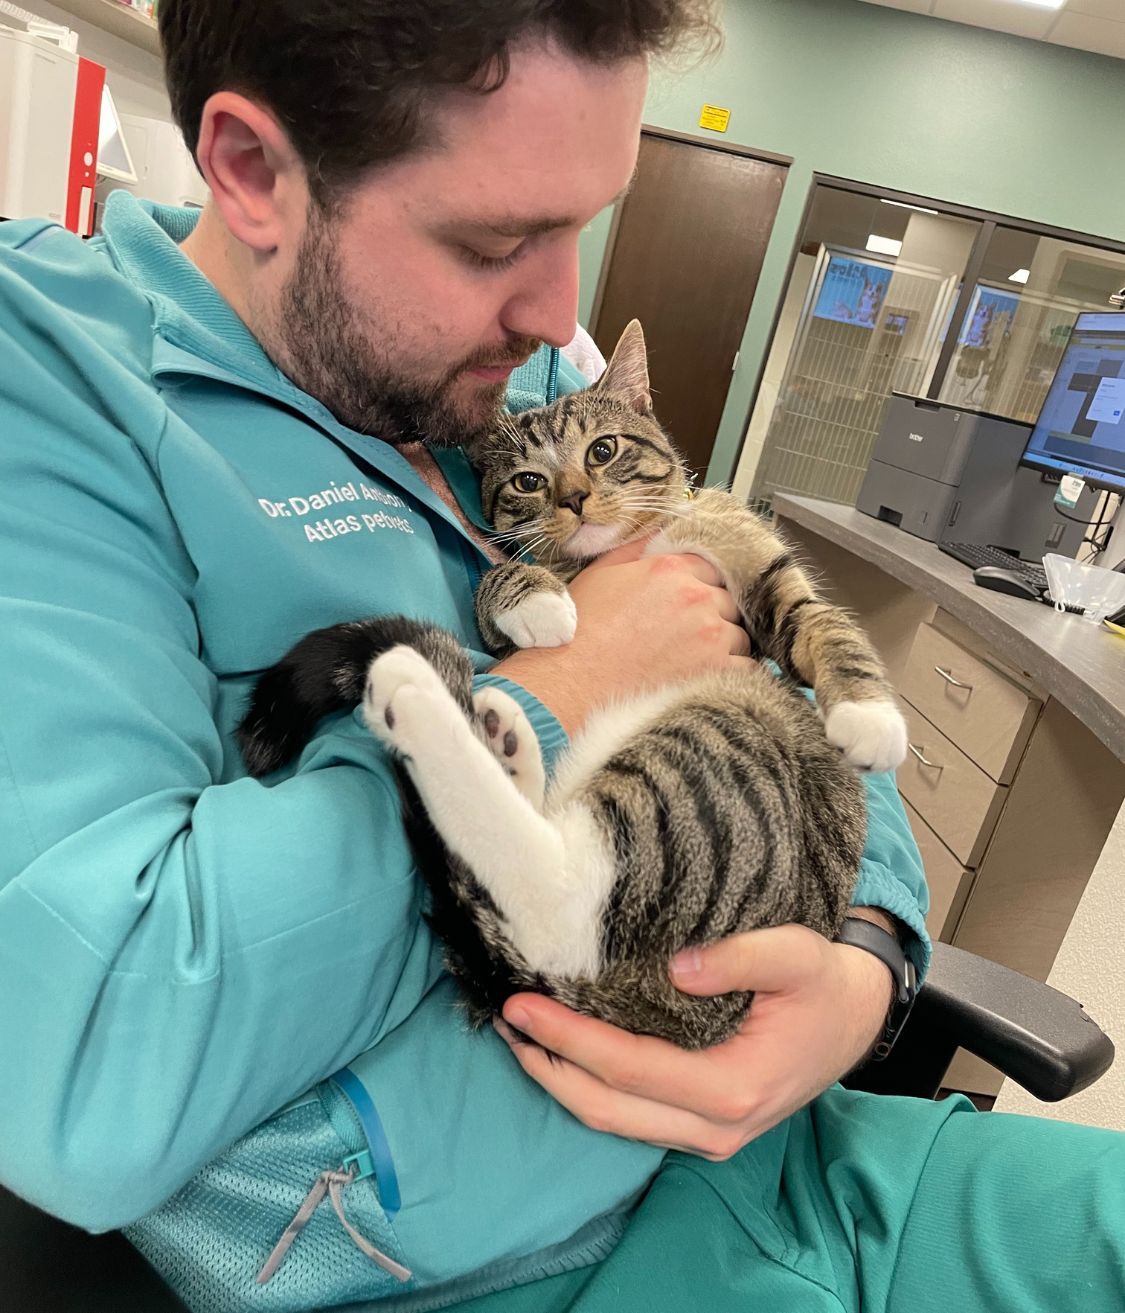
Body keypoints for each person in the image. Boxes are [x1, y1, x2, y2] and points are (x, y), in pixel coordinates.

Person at [0, 3, 1121, 1310]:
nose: (558, 308)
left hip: (802, 1154)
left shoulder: (524, 381)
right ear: (251, 171)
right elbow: (84, 1066)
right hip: (517, 1262)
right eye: (495, 239)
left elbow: (788, 707)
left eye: (585, 219)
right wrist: (558, 697)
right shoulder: (60, 397)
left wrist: (860, 965)